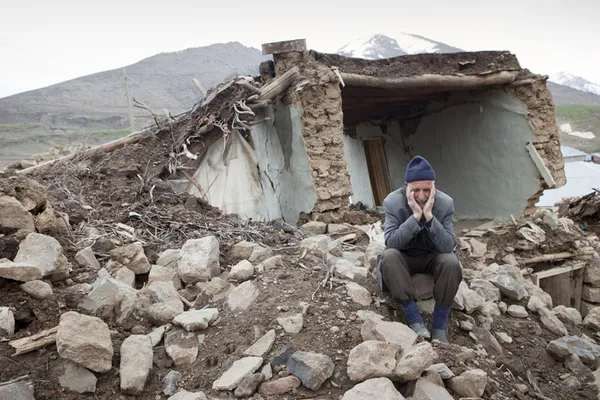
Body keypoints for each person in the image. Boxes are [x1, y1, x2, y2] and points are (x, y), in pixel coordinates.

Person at [376, 155, 462, 344]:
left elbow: (448, 245)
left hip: (433, 256)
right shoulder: (392, 202)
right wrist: (415, 216)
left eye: (427, 190)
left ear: (434, 187)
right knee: (389, 256)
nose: (422, 196)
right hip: (405, 256)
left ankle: (439, 327)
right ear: (406, 186)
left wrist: (429, 216)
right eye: (416, 190)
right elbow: (392, 242)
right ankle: (415, 320)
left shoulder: (445, 203)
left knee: (451, 261)